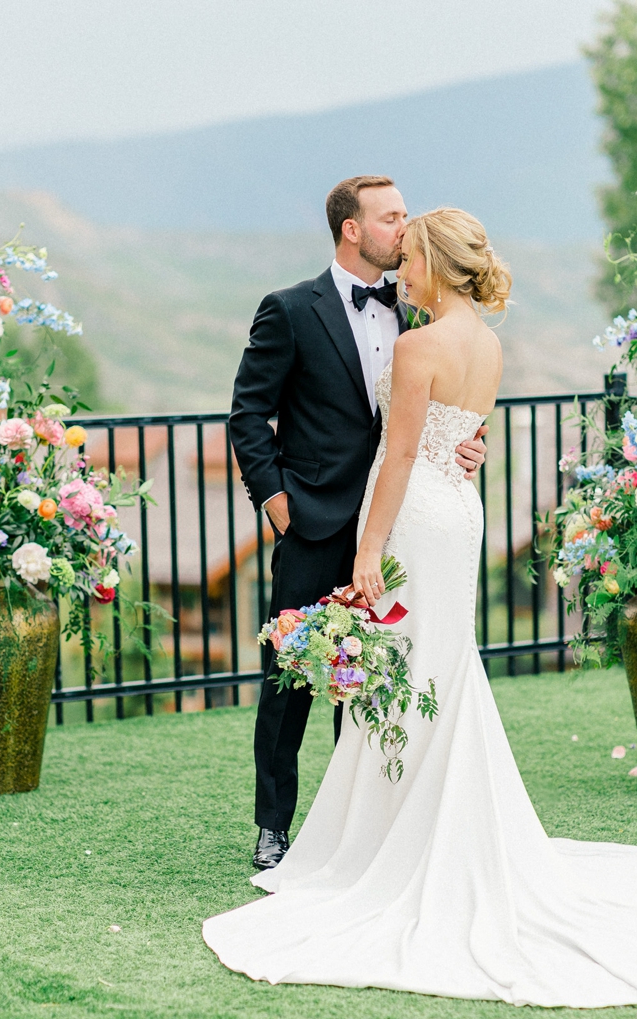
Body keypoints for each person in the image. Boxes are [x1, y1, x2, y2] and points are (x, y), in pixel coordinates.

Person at [205, 208, 637, 1008]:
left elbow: (399, 454)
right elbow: (456, 435)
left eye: (411, 251)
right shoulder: (487, 343)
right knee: (434, 662)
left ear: (433, 262)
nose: (401, 263)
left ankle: (390, 838)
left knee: (403, 664)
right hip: (456, 513)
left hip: (411, 519)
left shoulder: (415, 341)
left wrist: (369, 552)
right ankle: (406, 822)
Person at [229, 176, 487, 871]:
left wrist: (468, 443)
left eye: (406, 218)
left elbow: (429, 419)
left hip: (398, 526)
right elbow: (248, 415)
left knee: (374, 676)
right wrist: (277, 503)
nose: (403, 230)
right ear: (352, 228)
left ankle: (353, 828)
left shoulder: (419, 320)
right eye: (391, 217)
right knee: (291, 677)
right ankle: (273, 826)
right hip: (313, 521)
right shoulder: (288, 310)